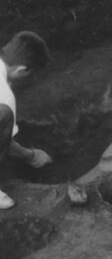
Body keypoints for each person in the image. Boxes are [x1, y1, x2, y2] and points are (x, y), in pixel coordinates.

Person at [0, 31, 52, 209]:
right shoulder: (4, 97)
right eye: (31, 73)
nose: (31, 78)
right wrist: (32, 156)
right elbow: (7, 145)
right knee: (4, 115)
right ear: (21, 69)